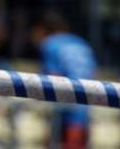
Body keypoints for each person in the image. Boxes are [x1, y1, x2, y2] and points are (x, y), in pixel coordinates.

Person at [31, 9, 97, 149]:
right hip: (84, 112)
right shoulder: (82, 43)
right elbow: (92, 73)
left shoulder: (50, 43)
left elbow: (54, 78)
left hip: (65, 111)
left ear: (41, 29)